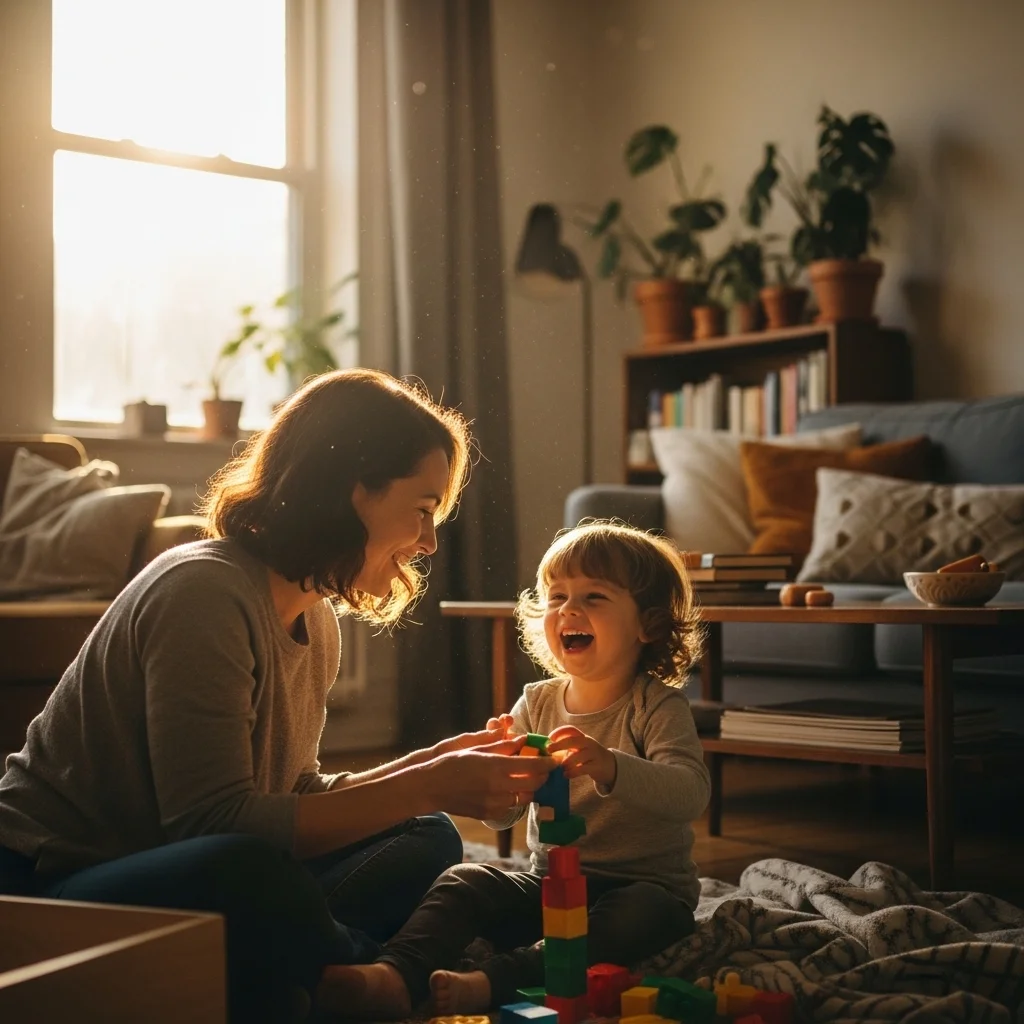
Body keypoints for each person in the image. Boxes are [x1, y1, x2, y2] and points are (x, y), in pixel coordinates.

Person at [0, 368, 554, 1023]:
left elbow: (290, 797)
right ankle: (374, 973)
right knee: (248, 869)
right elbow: (213, 825)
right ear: (354, 491)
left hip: (187, 870)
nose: (429, 541)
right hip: (55, 886)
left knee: (424, 835)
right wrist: (428, 783)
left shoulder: (313, 614)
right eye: (424, 508)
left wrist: (431, 770)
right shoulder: (202, 594)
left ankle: (325, 970)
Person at [320, 519, 711, 1018]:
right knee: (467, 879)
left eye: (594, 597)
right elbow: (503, 819)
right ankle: (395, 973)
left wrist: (609, 765)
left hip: (646, 892)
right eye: (557, 596)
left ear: (648, 625)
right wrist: (499, 783)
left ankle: (493, 981)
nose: (569, 609)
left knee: (626, 921)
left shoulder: (655, 707)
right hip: (550, 885)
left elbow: (690, 793)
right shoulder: (537, 702)